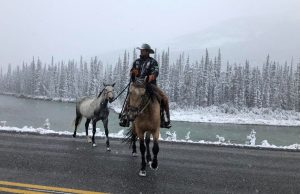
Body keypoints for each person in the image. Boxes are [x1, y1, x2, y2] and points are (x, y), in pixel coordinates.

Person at [119, 43, 172, 128]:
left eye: (143, 50)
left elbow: (155, 72)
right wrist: (133, 74)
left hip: (150, 85)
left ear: (147, 52)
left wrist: (150, 77)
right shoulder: (137, 62)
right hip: (137, 84)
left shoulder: (153, 62)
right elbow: (133, 70)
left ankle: (165, 119)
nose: (141, 52)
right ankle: (125, 117)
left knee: (164, 98)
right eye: (141, 50)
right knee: (130, 96)